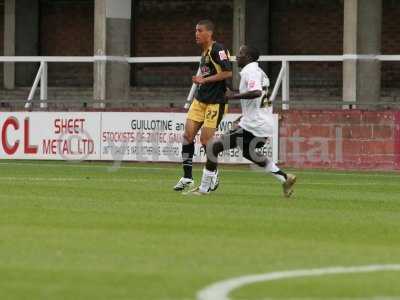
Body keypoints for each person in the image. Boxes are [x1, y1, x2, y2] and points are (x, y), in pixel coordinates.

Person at [188, 45, 297, 197]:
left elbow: (256, 92)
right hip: (262, 123)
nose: (237, 56)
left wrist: (231, 97)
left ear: (249, 57)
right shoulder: (259, 72)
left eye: (241, 53)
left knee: (213, 147)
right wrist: (242, 115)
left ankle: (203, 189)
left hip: (254, 125)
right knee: (248, 152)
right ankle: (285, 178)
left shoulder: (250, 71)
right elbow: (258, 98)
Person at [173, 20, 232, 191]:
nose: (196, 34)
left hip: (215, 102)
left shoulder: (218, 49)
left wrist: (203, 80)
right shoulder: (204, 51)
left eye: (199, 31)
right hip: (200, 100)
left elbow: (228, 72)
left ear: (209, 33)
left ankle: (213, 175)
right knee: (187, 136)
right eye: (195, 31)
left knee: (206, 140)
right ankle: (187, 177)